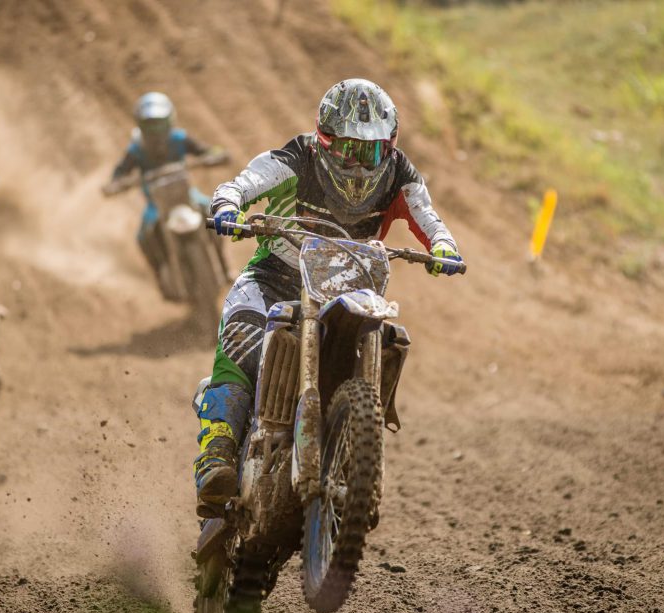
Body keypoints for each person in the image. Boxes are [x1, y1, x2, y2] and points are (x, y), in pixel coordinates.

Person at [193, 78, 463, 516]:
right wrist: (228, 205)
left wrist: (444, 247)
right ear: (325, 141)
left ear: (389, 148)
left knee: (390, 337)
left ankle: (358, 457)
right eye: (350, 150)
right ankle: (218, 452)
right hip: (275, 276)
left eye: (371, 151)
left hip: (349, 288)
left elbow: (428, 216)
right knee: (241, 336)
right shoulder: (295, 157)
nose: (359, 164)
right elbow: (244, 182)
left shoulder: (399, 174)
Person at [106, 92, 220, 295]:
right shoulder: (136, 149)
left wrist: (215, 155)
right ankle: (161, 279)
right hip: (156, 204)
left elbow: (205, 150)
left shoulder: (179, 139)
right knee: (143, 237)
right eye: (150, 126)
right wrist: (115, 184)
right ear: (141, 125)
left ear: (169, 121)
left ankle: (224, 265)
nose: (156, 131)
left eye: (159, 124)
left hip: (187, 196)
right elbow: (120, 172)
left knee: (214, 214)